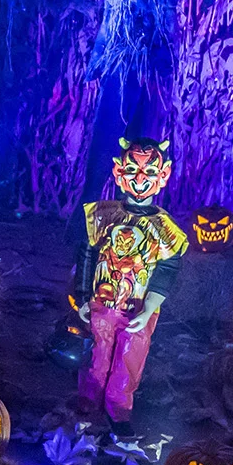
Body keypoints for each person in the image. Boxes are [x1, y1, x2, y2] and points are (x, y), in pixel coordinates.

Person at [74, 137, 189, 434]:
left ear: (162, 176)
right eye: (132, 170)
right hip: (102, 302)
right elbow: (87, 254)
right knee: (97, 352)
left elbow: (167, 269)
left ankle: (118, 407)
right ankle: (88, 400)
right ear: (118, 172)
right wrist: (83, 295)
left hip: (138, 310)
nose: (139, 179)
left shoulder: (165, 229)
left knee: (130, 358)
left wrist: (150, 307)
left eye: (148, 172)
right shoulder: (102, 215)